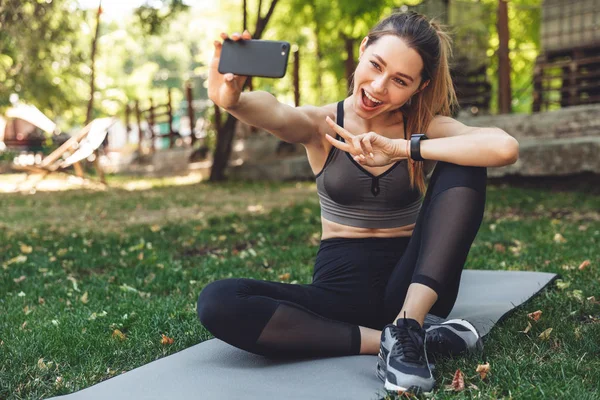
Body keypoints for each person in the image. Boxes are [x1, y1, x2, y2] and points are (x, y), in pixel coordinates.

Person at [197, 11, 519, 394]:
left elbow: (503, 147)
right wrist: (231, 98)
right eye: (376, 66)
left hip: (417, 285)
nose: (380, 87)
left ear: (420, 86)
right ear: (363, 49)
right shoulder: (321, 125)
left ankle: (409, 325)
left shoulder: (423, 128)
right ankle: (399, 340)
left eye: (400, 80)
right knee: (218, 301)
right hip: (340, 292)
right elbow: (274, 111)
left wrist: (403, 149)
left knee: (466, 161)